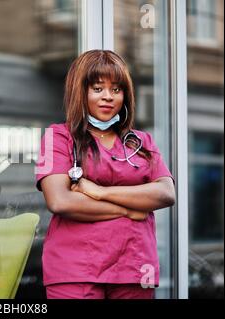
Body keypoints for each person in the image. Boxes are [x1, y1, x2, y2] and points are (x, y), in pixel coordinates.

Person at [35, 50, 176, 299]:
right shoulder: (58, 138)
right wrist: (131, 210)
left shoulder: (141, 142)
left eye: (116, 89)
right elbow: (60, 201)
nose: (108, 97)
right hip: (75, 270)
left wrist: (99, 191)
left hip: (134, 268)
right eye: (98, 88)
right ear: (81, 92)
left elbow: (165, 193)